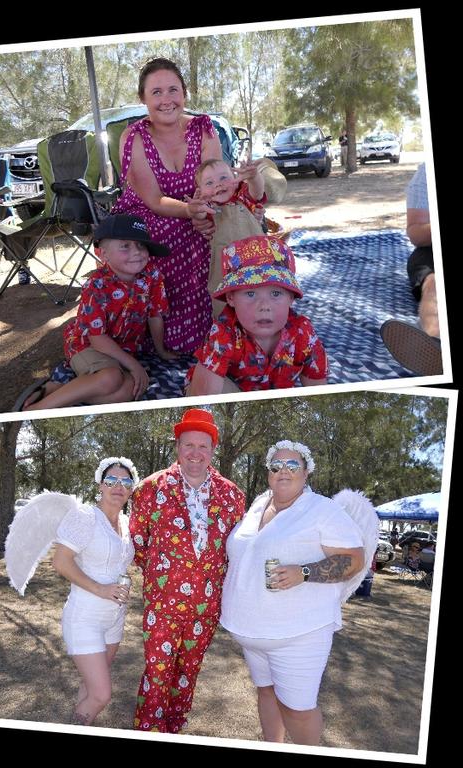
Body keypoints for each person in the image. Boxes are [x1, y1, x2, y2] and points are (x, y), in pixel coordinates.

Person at [220, 440, 366, 745]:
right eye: (276, 466)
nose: (283, 471)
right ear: (268, 473)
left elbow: (354, 560)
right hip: (252, 632)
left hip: (299, 634)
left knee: (297, 709)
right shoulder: (258, 505)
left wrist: (305, 572)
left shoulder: (321, 509)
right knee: (266, 693)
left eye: (292, 465)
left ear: (307, 471)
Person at [129, 408, 246, 733]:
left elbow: (236, 550)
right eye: (188, 445)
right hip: (162, 606)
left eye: (203, 446)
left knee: (188, 673)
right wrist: (165, 574)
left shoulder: (233, 496)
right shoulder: (151, 489)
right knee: (157, 673)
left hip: (206, 609)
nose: (195, 453)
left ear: (213, 450)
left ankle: (175, 727)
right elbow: (139, 542)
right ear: (177, 447)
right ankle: (149, 730)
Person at [110, 58, 221, 353]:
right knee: (164, 233)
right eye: (156, 92)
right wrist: (191, 213)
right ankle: (160, 337)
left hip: (199, 209)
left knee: (221, 230)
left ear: (184, 93)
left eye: (173, 90)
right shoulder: (133, 137)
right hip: (149, 213)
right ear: (143, 98)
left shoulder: (204, 129)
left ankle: (223, 325)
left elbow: (217, 182)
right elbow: (154, 200)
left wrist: (204, 215)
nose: (166, 99)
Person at [20, 215, 176, 411]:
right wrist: (134, 365)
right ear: (103, 255)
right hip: (86, 345)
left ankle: (59, 389)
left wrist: (160, 350)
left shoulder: (152, 275)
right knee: (111, 378)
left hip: (123, 348)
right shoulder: (96, 285)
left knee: (130, 389)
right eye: (125, 246)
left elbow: (155, 314)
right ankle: (38, 409)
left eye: (141, 245)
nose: (136, 252)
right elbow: (97, 339)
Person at [52, 457, 138, 726]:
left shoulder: (125, 523)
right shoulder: (85, 517)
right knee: (101, 694)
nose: (118, 486)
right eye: (111, 480)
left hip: (114, 620)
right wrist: (100, 589)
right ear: (100, 485)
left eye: (125, 481)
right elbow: (60, 562)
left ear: (131, 489)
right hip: (85, 618)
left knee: (90, 687)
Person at [186, 235, 328, 395]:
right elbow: (202, 396)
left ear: (291, 298)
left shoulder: (303, 333)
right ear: (231, 298)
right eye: (250, 293)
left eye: (275, 293)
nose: (264, 306)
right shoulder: (223, 334)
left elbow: (319, 392)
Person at [192, 157, 287, 317]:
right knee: (224, 310)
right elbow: (199, 218)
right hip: (224, 275)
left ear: (236, 182)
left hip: (259, 266)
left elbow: (257, 191)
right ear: (200, 192)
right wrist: (196, 209)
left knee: (263, 305)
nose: (218, 184)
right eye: (209, 183)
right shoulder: (208, 208)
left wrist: (253, 176)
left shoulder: (243, 198)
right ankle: (227, 336)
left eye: (224, 178)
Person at [380, 162, 441, 375]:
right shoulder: (426, 173)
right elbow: (416, 232)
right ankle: (435, 344)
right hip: (431, 248)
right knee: (432, 283)